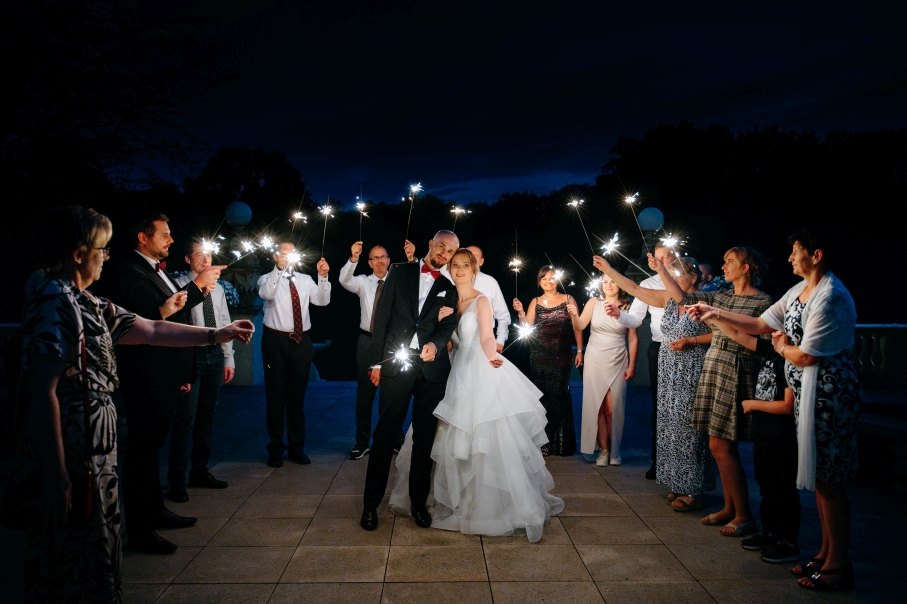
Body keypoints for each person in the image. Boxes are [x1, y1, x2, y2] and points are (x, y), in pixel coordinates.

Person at [7, 205, 253, 601]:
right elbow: (42, 391)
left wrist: (217, 334)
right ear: (78, 253)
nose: (107, 257)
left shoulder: (87, 301)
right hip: (72, 452)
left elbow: (151, 328)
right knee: (70, 559)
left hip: (95, 451)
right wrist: (56, 473)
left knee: (98, 551)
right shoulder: (53, 303)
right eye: (101, 249)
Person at [690, 228, 860, 591]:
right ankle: (826, 554)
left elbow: (807, 355)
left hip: (828, 397)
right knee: (821, 481)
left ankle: (839, 564)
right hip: (809, 395)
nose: (789, 258)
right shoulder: (799, 291)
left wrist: (781, 348)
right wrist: (714, 310)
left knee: (829, 482)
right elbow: (761, 324)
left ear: (816, 255)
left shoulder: (831, 296)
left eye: (796, 251)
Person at [388, 249, 564, 541]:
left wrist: (491, 355)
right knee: (439, 434)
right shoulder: (445, 300)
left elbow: (486, 336)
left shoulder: (481, 300)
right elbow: (440, 339)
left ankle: (483, 505)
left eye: (465, 265)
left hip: (477, 367)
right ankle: (440, 498)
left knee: (481, 436)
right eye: (455, 265)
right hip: (450, 370)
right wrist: (439, 322)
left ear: (474, 270)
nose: (459, 270)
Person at [115, 213, 225, 554]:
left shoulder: (154, 270)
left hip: (166, 373)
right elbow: (151, 317)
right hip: (146, 375)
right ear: (143, 237)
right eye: (165, 234)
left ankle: (155, 510)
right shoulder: (130, 271)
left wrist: (198, 290)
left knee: (152, 448)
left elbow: (174, 309)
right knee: (142, 451)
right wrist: (196, 285)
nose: (171, 240)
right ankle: (140, 528)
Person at [593, 254, 715, 511]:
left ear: (693, 278)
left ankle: (693, 487)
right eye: (668, 275)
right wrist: (609, 270)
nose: (670, 280)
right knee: (670, 426)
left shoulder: (706, 301)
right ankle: (678, 482)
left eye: (675, 275)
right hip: (668, 369)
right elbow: (635, 289)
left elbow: (720, 334)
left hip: (692, 369)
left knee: (689, 429)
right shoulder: (668, 299)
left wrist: (691, 341)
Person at [360, 230, 460, 532]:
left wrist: (436, 345)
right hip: (397, 363)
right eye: (441, 246)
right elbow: (381, 318)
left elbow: (447, 326)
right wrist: (376, 362)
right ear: (431, 244)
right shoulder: (400, 271)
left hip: (431, 371)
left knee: (424, 439)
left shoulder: (449, 287)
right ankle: (370, 506)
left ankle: (418, 503)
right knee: (385, 434)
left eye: (450, 251)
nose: (444, 253)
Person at [678, 246, 772, 537]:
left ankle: (743, 515)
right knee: (717, 445)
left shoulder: (763, 302)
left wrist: (717, 318)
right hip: (715, 365)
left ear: (746, 267)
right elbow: (683, 297)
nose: (723, 266)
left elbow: (763, 342)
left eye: (729, 261)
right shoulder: (722, 296)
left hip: (738, 368)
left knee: (723, 445)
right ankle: (730, 508)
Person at [708, 315, 801, 564]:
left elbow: (788, 405)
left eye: (779, 332)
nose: (773, 334)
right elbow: (738, 335)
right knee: (765, 482)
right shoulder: (770, 352)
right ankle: (769, 531)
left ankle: (787, 541)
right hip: (764, 430)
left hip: (781, 433)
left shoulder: (790, 362)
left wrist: (753, 404)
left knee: (782, 487)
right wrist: (712, 315)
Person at [168, 241, 236, 502]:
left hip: (214, 353)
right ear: (188, 259)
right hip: (191, 354)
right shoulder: (179, 285)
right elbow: (175, 319)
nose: (206, 260)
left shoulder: (218, 289)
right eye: (200, 255)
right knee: (185, 418)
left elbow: (224, 321)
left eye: (209, 255)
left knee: (207, 416)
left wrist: (228, 358)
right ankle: (176, 479)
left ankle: (200, 471)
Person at [258, 243, 330, 468]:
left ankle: (297, 447)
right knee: (275, 395)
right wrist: (279, 270)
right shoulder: (266, 278)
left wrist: (323, 277)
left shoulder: (305, 279)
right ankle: (275, 449)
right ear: (275, 256)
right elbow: (266, 293)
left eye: (292, 252)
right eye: (283, 252)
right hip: (275, 341)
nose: (288, 256)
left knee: (297, 397)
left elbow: (322, 301)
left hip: (301, 340)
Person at [617, 243, 675, 479]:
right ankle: (659, 460)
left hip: (689, 347)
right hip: (659, 348)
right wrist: (618, 314)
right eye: (656, 256)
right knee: (659, 405)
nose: (659, 261)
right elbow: (635, 319)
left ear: (675, 257)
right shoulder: (648, 284)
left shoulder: (684, 282)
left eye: (665, 256)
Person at [566, 275, 637, 466]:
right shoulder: (594, 302)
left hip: (618, 359)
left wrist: (632, 364)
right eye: (605, 282)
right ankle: (604, 450)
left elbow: (633, 338)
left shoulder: (628, 306)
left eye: (613, 281)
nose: (609, 285)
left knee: (613, 408)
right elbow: (580, 325)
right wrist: (574, 315)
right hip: (595, 358)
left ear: (620, 284)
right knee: (597, 406)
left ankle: (615, 451)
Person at [512, 267, 583, 456]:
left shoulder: (568, 299)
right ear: (539, 282)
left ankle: (559, 443)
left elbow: (577, 327)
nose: (548, 281)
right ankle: (543, 442)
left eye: (552, 278)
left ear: (557, 280)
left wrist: (580, 350)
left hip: (561, 355)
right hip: (539, 355)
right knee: (542, 396)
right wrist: (520, 311)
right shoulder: (535, 302)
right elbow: (526, 326)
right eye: (544, 278)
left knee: (558, 395)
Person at [339, 240, 391, 460]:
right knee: (365, 395)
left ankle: (392, 439)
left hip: (391, 343)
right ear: (369, 263)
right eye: (375, 258)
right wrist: (353, 258)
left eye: (383, 257)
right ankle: (362, 443)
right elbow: (344, 280)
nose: (379, 261)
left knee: (392, 394)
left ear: (389, 260)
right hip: (367, 342)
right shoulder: (362, 282)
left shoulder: (397, 283)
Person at [441, 245, 510, 352]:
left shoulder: (490, 282)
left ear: (480, 262)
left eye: (474, 257)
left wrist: (500, 341)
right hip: (453, 350)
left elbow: (503, 315)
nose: (468, 258)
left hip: (481, 348)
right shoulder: (450, 283)